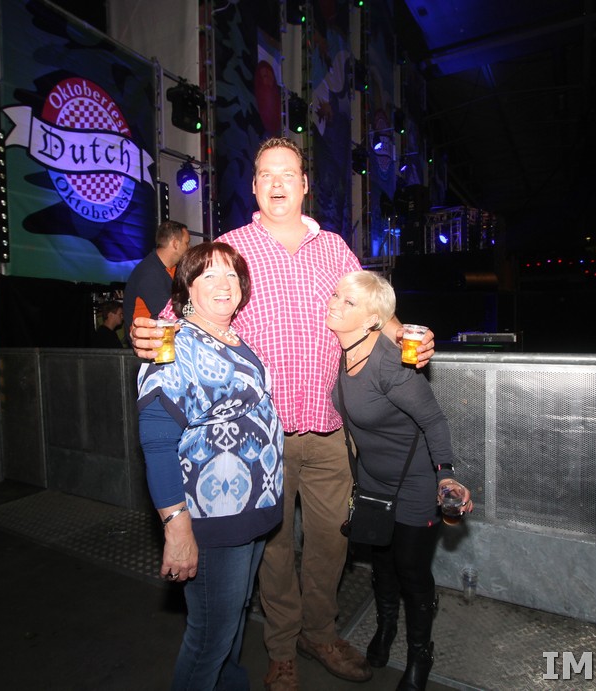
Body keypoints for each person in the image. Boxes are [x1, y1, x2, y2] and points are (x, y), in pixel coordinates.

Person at [130, 137, 435, 691]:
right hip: (259, 441)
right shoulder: (232, 247)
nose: (277, 183)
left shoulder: (333, 248)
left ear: (303, 184)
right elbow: (179, 315)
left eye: (288, 173)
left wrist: (403, 334)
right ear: (253, 186)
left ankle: (320, 633)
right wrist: (145, 334)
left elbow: (371, 306)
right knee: (272, 551)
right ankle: (281, 648)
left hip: (329, 429)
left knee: (331, 544)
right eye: (266, 174)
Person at [136, 241, 284, 690]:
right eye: (209, 275)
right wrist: (176, 526)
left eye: (232, 275)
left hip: (249, 509)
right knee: (210, 638)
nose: (224, 284)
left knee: (233, 617)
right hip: (213, 514)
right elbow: (157, 441)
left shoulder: (233, 335)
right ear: (187, 287)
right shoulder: (174, 342)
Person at [326, 270, 471, 691]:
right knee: (383, 564)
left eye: (348, 302)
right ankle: (386, 626)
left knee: (411, 569)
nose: (334, 303)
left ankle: (420, 655)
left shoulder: (392, 364)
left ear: (373, 320)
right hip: (373, 481)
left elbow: (435, 422)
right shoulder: (337, 351)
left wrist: (445, 478)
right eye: (336, 295)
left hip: (415, 482)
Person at [123, 219, 191, 326]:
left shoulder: (171, 269)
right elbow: (169, 316)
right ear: (175, 244)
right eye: (187, 243)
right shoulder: (150, 273)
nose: (189, 247)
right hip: (150, 335)